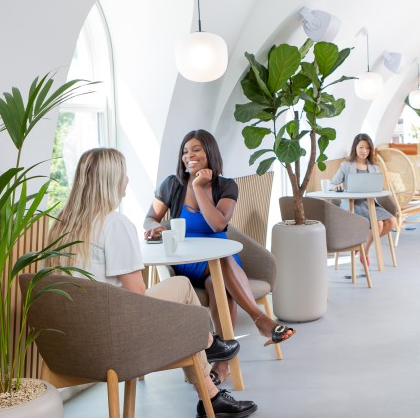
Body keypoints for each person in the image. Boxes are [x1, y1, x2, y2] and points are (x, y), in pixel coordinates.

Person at [49, 148, 257, 418]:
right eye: (124, 174)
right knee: (182, 292)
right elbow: (139, 297)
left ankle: (210, 371)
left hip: (71, 344)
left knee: (181, 309)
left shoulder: (60, 226)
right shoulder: (115, 224)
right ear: (111, 180)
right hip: (114, 341)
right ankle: (208, 345)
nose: (127, 180)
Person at [144, 129, 295, 385]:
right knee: (221, 264)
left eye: (196, 150)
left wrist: (199, 187)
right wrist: (154, 227)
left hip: (221, 259)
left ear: (209, 153)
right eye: (185, 151)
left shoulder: (226, 186)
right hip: (188, 262)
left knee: (219, 282)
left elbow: (217, 225)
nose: (188, 156)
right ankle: (261, 321)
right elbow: (150, 217)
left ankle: (222, 363)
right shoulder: (171, 185)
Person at [330, 133, 398, 265]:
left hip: (371, 203)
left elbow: (376, 186)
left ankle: (361, 245)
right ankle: (365, 253)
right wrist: (337, 186)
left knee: (392, 221)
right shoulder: (346, 166)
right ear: (355, 147)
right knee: (378, 224)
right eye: (361, 147)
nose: (364, 151)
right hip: (353, 204)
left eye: (367, 148)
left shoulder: (373, 167)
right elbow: (332, 184)